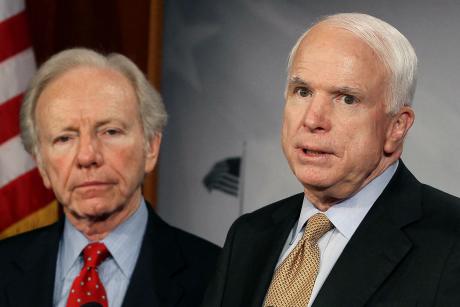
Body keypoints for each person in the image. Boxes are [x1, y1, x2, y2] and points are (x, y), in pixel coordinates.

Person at [202, 13, 460, 307]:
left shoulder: (452, 241)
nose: (313, 119)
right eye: (302, 91)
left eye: (346, 98)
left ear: (396, 126)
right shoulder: (249, 236)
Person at [0, 48, 220, 307]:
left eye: (110, 131)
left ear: (150, 147)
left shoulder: (217, 276)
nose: (87, 156)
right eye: (64, 138)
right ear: (42, 165)